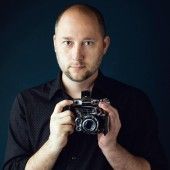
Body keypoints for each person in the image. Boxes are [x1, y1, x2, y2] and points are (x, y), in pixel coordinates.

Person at [3, 3, 168, 170]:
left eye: (88, 43)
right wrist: (52, 145)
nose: (77, 55)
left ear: (104, 45)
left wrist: (111, 148)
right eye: (68, 42)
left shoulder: (134, 102)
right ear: (55, 44)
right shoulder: (27, 102)